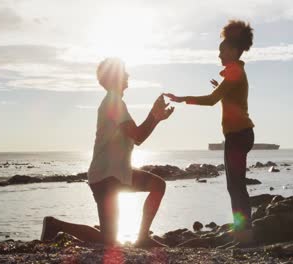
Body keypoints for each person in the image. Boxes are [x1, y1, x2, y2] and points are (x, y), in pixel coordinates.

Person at [41, 58, 174, 248]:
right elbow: (138, 136)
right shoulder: (113, 103)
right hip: (105, 177)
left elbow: (137, 138)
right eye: (123, 72)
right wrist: (154, 116)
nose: (128, 75)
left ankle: (143, 237)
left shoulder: (116, 102)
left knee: (158, 186)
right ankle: (55, 225)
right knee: (109, 240)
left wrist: (156, 118)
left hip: (117, 174)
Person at [165, 20, 255, 239]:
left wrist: (183, 99)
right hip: (240, 134)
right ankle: (243, 228)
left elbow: (212, 101)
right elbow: (229, 97)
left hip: (238, 135)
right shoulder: (235, 73)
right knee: (236, 184)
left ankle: (244, 231)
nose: (219, 55)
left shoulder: (234, 73)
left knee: (235, 185)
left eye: (222, 50)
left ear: (233, 50)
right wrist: (220, 88)